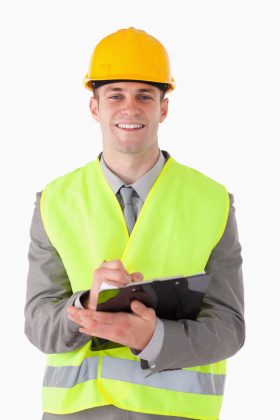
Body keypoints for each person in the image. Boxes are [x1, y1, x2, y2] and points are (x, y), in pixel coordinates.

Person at [25, 27, 245, 420]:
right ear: (95, 107)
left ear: (163, 108)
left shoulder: (212, 200)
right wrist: (84, 306)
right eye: (115, 96)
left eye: (145, 95)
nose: (130, 108)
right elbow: (38, 325)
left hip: (175, 414)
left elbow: (229, 326)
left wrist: (155, 338)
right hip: (78, 414)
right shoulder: (54, 200)